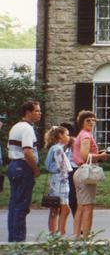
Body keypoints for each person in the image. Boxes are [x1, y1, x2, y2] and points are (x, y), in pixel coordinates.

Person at [6, 101, 41, 242]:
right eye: (37, 111)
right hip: (23, 167)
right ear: (28, 112)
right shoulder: (27, 129)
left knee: (14, 204)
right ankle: (18, 242)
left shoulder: (15, 127)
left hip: (14, 166)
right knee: (22, 206)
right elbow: (27, 151)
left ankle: (13, 240)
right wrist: (35, 169)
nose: (40, 113)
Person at [72, 110, 110, 239]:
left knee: (81, 207)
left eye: (93, 120)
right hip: (85, 172)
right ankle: (86, 238)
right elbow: (84, 155)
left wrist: (98, 153)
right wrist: (101, 156)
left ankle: (77, 237)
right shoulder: (86, 136)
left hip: (79, 171)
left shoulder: (82, 134)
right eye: (88, 120)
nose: (91, 123)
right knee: (88, 208)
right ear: (82, 122)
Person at [44, 126, 73, 234]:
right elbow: (63, 167)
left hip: (55, 180)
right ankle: (60, 232)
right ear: (60, 136)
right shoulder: (58, 149)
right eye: (66, 134)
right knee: (65, 209)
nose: (68, 137)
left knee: (55, 208)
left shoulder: (55, 148)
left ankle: (53, 232)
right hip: (60, 181)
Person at [59, 122, 78, 219]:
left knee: (73, 196)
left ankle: (77, 220)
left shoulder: (73, 141)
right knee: (65, 198)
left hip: (72, 169)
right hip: (64, 171)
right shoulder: (60, 144)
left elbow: (76, 156)